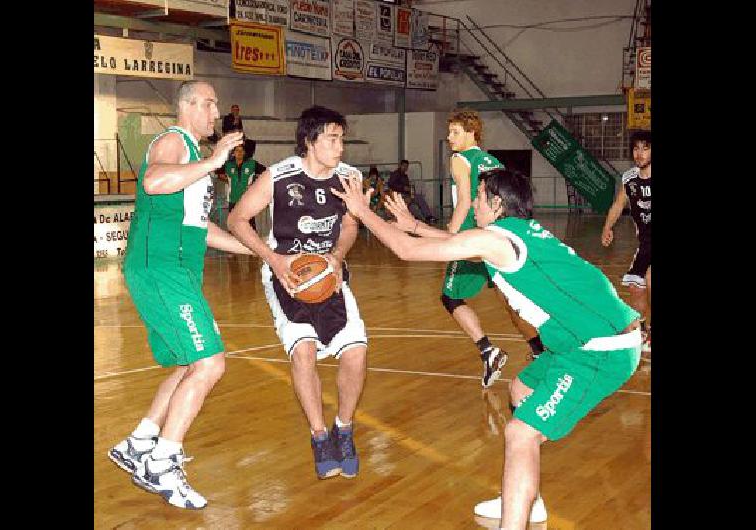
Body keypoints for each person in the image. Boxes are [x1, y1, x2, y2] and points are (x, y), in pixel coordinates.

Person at [331, 167, 642, 529]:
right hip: (578, 341)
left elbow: (407, 251)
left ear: (496, 203)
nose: (473, 204)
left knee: (520, 433)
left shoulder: (499, 240)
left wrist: (361, 210)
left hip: (600, 350)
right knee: (521, 390)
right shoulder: (517, 235)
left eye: (478, 198)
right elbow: (460, 246)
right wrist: (414, 224)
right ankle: (529, 499)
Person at [108, 81, 253, 509]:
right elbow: (154, 182)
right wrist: (213, 161)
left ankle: (140, 442)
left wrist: (258, 250)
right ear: (189, 105)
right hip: (161, 268)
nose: (216, 112)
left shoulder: (194, 156)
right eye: (210, 103)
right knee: (209, 363)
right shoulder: (174, 141)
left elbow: (201, 227)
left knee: (193, 361)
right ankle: (162, 462)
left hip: (176, 270)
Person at [227, 105, 368, 480]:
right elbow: (236, 219)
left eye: (342, 139)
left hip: (330, 274)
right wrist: (273, 259)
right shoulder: (278, 176)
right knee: (303, 352)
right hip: (288, 277)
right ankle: (319, 436)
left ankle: (344, 428)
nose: (340, 147)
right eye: (332, 139)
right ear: (310, 141)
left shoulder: (349, 178)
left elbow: (351, 225)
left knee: (356, 353)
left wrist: (337, 256)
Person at [443, 109, 546, 387]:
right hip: (498, 236)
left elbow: (465, 200)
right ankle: (540, 351)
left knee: (450, 298)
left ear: (470, 132)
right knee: (510, 299)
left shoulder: (460, 159)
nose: (449, 137)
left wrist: (451, 235)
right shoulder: (492, 160)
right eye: (449, 131)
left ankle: (488, 351)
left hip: (472, 237)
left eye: (455, 132)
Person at [601, 130, 651, 357]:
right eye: (636, 148)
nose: (639, 153)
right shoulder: (629, 178)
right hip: (646, 245)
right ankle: (645, 331)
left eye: (645, 148)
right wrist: (607, 227)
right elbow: (619, 204)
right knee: (635, 288)